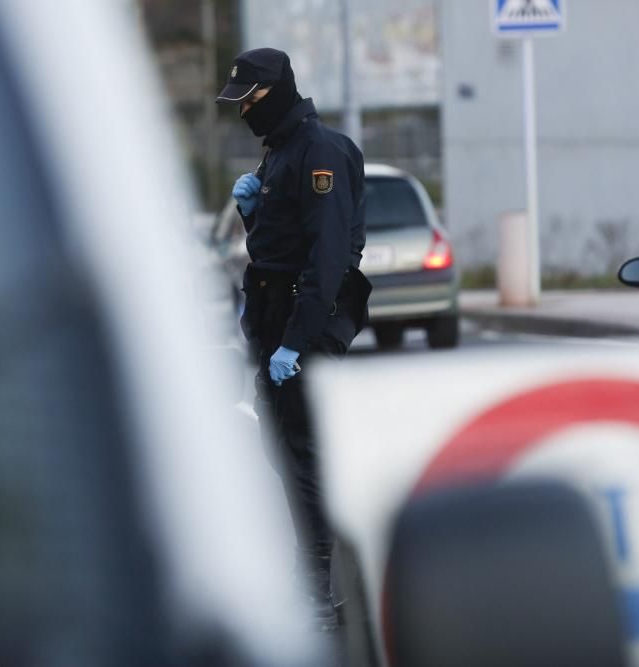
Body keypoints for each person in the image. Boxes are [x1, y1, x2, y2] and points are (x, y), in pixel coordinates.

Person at [215, 47, 370, 631]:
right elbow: (279, 244)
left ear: (274, 94)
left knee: (304, 455)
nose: (243, 113)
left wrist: (298, 342)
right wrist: (252, 215)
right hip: (275, 321)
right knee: (284, 449)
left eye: (248, 101)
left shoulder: (319, 152)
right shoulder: (280, 152)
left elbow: (327, 258)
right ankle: (318, 571)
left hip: (305, 324)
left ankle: (321, 588)